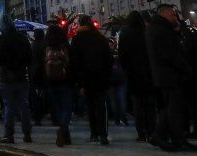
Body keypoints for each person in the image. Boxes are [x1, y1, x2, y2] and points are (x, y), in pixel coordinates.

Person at [146, 4, 197, 152]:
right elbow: (170, 54)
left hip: (163, 75)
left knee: (170, 107)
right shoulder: (161, 30)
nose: (175, 18)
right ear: (164, 15)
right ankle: (173, 138)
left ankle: (166, 136)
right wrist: (185, 68)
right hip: (170, 74)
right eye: (173, 15)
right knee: (174, 108)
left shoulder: (155, 28)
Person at [70, 15, 112, 145]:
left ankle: (93, 132)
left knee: (90, 106)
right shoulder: (100, 38)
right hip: (100, 77)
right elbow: (108, 59)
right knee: (101, 106)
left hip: (86, 79)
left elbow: (75, 62)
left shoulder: (77, 39)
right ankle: (103, 134)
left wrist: (79, 82)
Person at [0, 18, 33, 144]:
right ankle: (27, 134)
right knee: (24, 106)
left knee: (9, 107)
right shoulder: (23, 38)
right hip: (21, 76)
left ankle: (9, 135)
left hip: (6, 77)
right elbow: (30, 57)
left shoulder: (1, 39)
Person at [119, 11, 156, 142]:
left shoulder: (125, 35)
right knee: (150, 103)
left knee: (138, 104)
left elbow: (122, 56)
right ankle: (152, 130)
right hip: (149, 72)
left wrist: (126, 69)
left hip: (133, 73)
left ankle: (141, 133)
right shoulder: (147, 32)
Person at [43, 25, 74, 146]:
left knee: (59, 109)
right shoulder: (66, 47)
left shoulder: (46, 48)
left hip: (51, 82)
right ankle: (63, 131)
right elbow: (73, 63)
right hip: (66, 81)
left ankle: (65, 135)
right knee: (67, 108)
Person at [29, 29, 47, 126]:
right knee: (45, 93)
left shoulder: (32, 45)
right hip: (45, 72)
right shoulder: (45, 45)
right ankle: (47, 112)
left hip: (34, 73)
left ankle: (37, 117)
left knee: (35, 96)